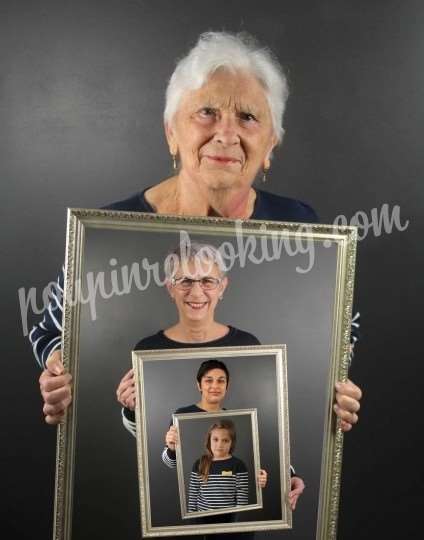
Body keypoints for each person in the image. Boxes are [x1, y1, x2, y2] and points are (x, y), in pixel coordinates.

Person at [34, 32, 361, 444]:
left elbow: (344, 324)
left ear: (270, 145)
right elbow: (46, 329)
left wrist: (334, 384)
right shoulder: (108, 228)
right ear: (172, 131)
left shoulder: (301, 225)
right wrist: (57, 369)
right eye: (206, 112)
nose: (225, 134)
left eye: (248, 117)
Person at [188, 419, 255, 514]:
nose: (220, 444)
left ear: (232, 443)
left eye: (225, 440)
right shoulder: (199, 464)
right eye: (215, 439)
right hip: (202, 520)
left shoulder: (239, 466)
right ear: (209, 440)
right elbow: (193, 496)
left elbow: (242, 500)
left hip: (228, 520)